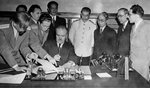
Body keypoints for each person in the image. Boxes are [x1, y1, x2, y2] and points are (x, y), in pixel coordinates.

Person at [129, 4, 150, 81]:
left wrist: (147, 64)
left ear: (136, 15)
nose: (128, 16)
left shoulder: (147, 26)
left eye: (130, 14)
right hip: (133, 64)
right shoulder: (133, 27)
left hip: (143, 65)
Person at [116, 8, 133, 75]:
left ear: (126, 15)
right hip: (120, 58)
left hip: (128, 59)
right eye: (118, 16)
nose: (119, 18)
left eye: (121, 16)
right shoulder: (120, 28)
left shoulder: (132, 27)